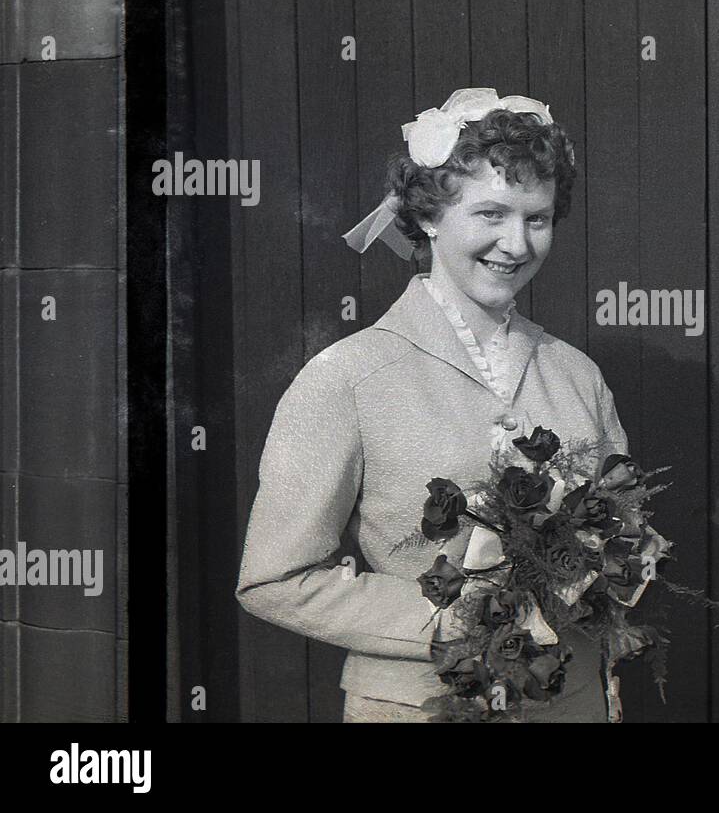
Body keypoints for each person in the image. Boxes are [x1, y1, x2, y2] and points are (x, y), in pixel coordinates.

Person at [236, 88, 628, 722]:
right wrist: (454, 618)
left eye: (538, 218)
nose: (517, 244)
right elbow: (275, 578)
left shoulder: (577, 374)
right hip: (421, 706)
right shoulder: (348, 377)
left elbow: (618, 543)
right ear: (427, 216)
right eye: (491, 214)